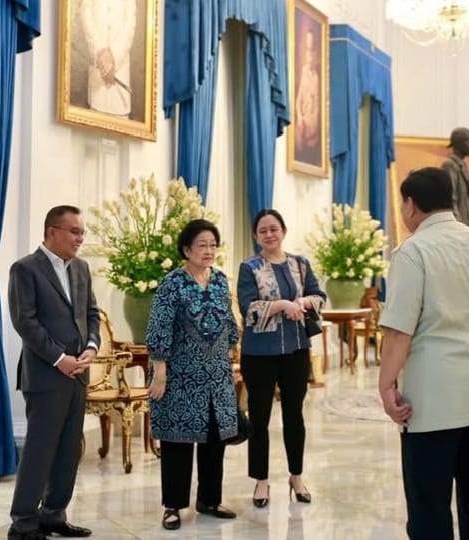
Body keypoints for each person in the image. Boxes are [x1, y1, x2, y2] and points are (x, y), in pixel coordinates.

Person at [378, 167, 469, 539]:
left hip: (435, 399)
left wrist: (386, 385)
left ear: (410, 205)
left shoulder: (413, 252)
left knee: (429, 504)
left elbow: (398, 331)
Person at [7, 205, 98, 540]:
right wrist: (60, 359)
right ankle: (24, 523)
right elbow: (25, 322)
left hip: (79, 373)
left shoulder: (82, 269)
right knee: (39, 451)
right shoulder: (25, 269)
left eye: (82, 232)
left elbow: (91, 312)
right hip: (47, 376)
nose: (80, 238)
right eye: (74, 231)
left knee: (68, 450)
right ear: (51, 232)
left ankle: (54, 515)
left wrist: (91, 346)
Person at [146, 219, 241, 530]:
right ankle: (172, 506)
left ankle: (209, 500)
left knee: (216, 440)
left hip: (216, 376)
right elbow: (159, 326)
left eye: (213, 245)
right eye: (202, 245)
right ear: (186, 249)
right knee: (177, 441)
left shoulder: (220, 280)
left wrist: (230, 352)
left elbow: (228, 320)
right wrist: (159, 371)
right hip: (180, 375)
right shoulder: (172, 283)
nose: (209, 250)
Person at [237, 209, 326, 508]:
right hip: (259, 354)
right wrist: (282, 305)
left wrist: (301, 302)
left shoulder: (300, 264)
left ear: (283, 231)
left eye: (274, 229)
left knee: (294, 416)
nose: (269, 234)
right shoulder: (249, 267)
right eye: (262, 231)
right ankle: (261, 481)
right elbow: (248, 308)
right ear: (256, 236)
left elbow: (319, 296)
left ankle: (296, 476)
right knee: (259, 419)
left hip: (297, 352)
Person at [79, 0, 136, 117]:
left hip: (120, 75)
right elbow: (86, 12)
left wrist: (113, 57)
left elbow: (130, 22)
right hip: (97, 77)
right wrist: (100, 52)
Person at [441, 127, 469, 227]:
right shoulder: (449, 165)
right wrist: (457, 225)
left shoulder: (462, 165)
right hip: (457, 226)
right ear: (460, 143)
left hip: (465, 223)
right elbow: (450, 198)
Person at [294, 27, 320, 163]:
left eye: (311, 49)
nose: (308, 54)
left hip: (310, 133)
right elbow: (299, 100)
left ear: (315, 52)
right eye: (306, 49)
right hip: (302, 126)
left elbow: (316, 113)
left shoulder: (317, 78)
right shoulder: (304, 71)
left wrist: (305, 123)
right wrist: (299, 116)